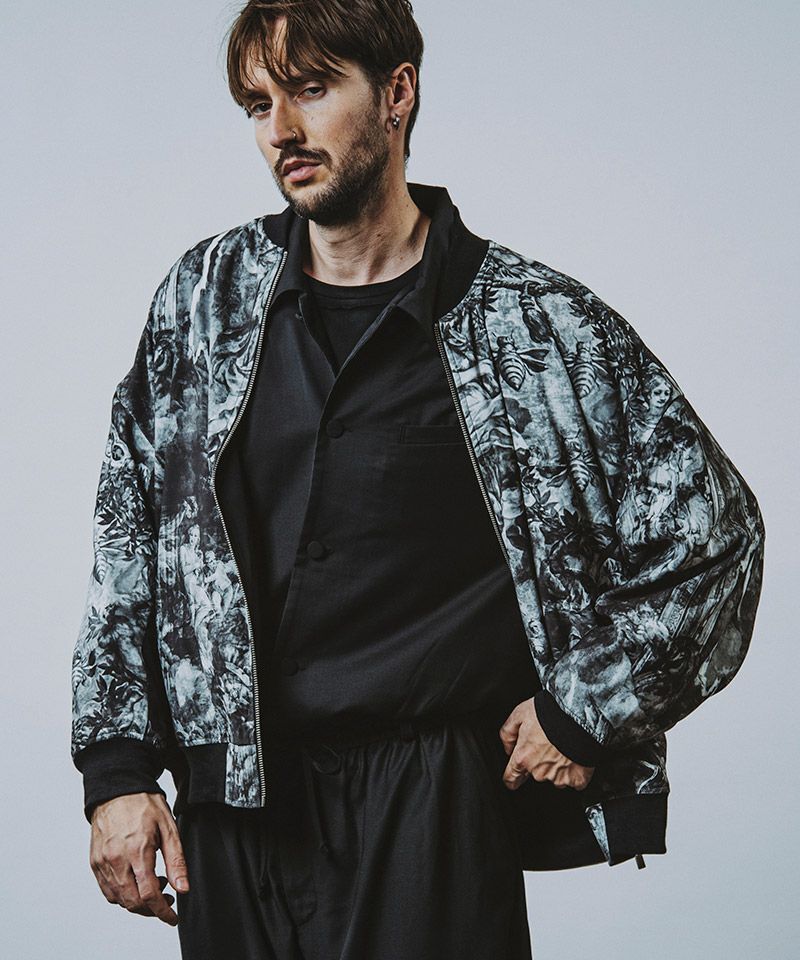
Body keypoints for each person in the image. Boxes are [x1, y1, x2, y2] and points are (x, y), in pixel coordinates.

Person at [70, 2, 766, 958]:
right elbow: (130, 537)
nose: (281, 130)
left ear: (396, 93)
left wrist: (583, 709)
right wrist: (116, 771)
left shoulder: (533, 329)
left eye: (312, 90)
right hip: (232, 809)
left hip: (428, 811)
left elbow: (717, 538)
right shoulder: (203, 302)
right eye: (259, 103)